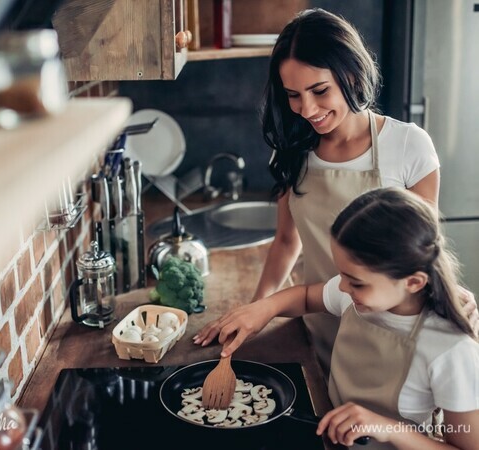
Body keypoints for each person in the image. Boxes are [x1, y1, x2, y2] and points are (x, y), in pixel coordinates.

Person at [194, 7, 477, 373]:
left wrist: (453, 301)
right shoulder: (293, 150)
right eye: (293, 94)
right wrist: (256, 311)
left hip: (391, 339)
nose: (306, 109)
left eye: (319, 90)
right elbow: (285, 241)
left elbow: (422, 254)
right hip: (319, 326)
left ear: (351, 73)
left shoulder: (409, 144)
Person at [194, 188, 479, 450]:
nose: (342, 288)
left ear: (414, 282)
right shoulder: (356, 295)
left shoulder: (452, 350)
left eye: (356, 282)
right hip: (330, 434)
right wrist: (263, 309)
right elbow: (306, 296)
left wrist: (386, 428)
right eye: (342, 275)